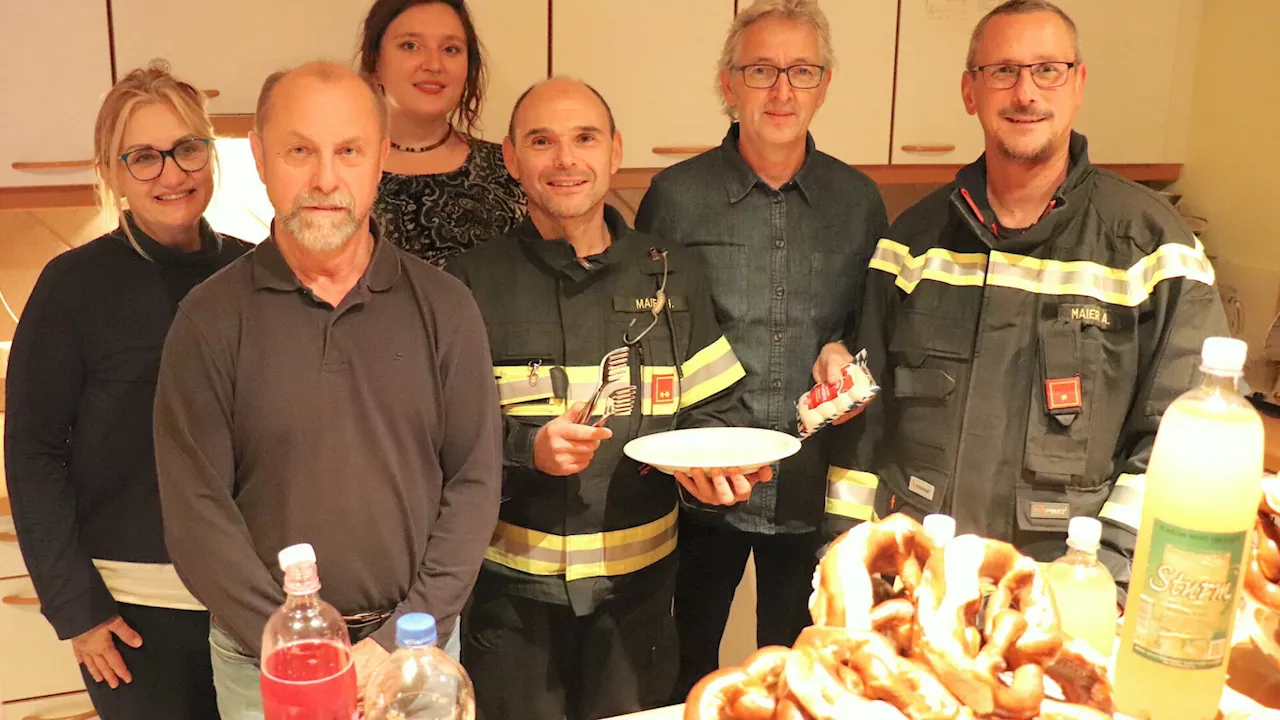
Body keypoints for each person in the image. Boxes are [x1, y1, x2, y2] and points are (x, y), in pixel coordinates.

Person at [815, 0, 1229, 598]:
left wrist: (1099, 579)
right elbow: (862, 427)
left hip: (1064, 593)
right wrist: (843, 555)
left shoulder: (1154, 250)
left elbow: (1180, 443)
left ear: (1078, 83)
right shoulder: (911, 243)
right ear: (970, 91)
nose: (1025, 92)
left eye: (1048, 70)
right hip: (914, 585)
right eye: (1002, 71)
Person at [152, 61, 502, 718]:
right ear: (259, 156)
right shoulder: (209, 320)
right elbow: (197, 517)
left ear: (381, 159)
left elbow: (474, 484)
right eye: (299, 151)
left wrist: (401, 637)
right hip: (268, 663)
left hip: (418, 653)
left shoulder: (446, 307)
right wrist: (304, 649)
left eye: (348, 151)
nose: (324, 179)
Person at [447, 77, 770, 720]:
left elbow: (714, 411)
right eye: (542, 141)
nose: (566, 159)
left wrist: (707, 471)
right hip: (508, 609)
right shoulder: (467, 283)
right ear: (512, 158)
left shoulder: (673, 274)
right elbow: (437, 439)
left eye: (584, 138)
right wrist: (525, 448)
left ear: (615, 151)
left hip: (640, 609)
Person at [634, 0, 888, 699]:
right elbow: (650, 339)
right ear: (728, 83)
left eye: (801, 71)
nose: (782, 91)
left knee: (797, 674)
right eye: (761, 70)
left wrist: (846, 352)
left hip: (812, 483)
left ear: (825, 85)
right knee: (685, 670)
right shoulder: (675, 197)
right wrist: (679, 451)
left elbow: (874, 329)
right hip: (702, 481)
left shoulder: (859, 201)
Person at [4, 67, 251, 720]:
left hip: (254, 597)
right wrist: (76, 608)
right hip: (136, 615)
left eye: (188, 147)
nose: (171, 173)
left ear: (210, 154)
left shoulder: (255, 274)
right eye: (144, 156)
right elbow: (32, 452)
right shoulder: (73, 286)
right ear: (114, 173)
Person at [360, 0, 526, 266]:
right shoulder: (341, 172)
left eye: (451, 49)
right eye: (410, 45)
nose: (434, 64)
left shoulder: (511, 170)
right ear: (376, 62)